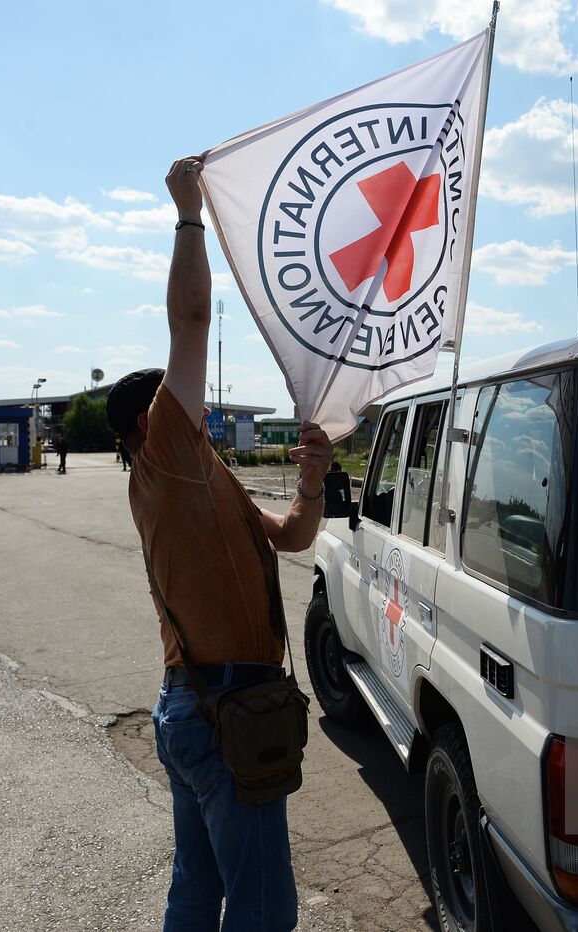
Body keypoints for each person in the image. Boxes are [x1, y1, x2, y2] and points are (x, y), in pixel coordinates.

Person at [108, 155, 333, 932]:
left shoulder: (201, 475)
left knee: (198, 892)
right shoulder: (165, 458)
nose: (189, 400)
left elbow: (294, 539)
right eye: (174, 398)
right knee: (266, 910)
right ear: (152, 420)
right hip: (221, 706)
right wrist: (189, 212)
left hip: (200, 705)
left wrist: (313, 477)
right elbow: (193, 322)